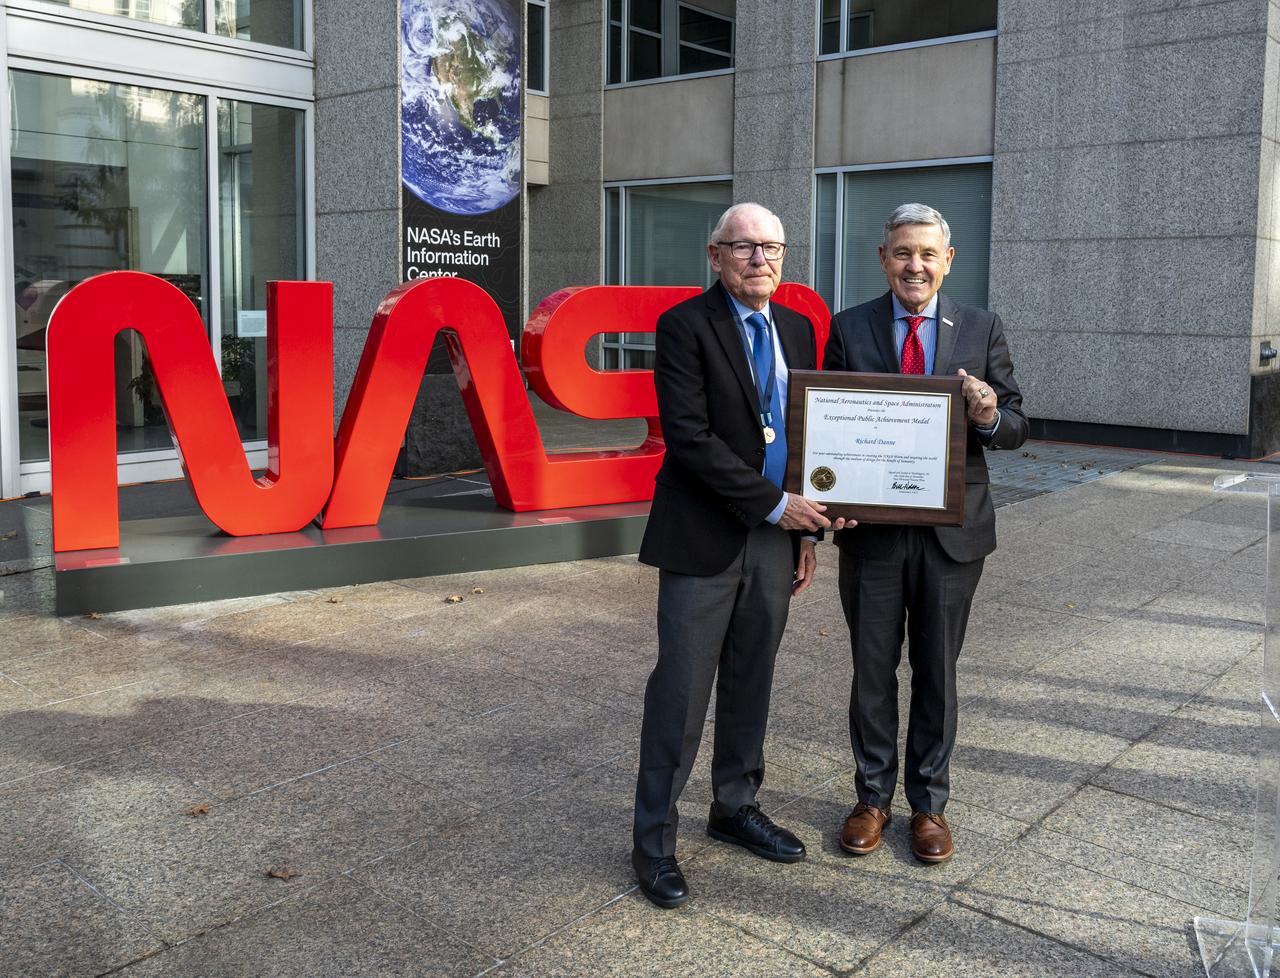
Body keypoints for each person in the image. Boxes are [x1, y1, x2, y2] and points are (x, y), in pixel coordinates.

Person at [631, 202, 839, 908]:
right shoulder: (685, 326)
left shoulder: (799, 328)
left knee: (752, 681)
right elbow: (689, 440)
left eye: (772, 247)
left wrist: (805, 530)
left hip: (775, 542)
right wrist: (776, 505)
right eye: (744, 246)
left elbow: (809, 435)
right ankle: (653, 842)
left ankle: (733, 807)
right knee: (681, 695)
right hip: (703, 537)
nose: (760, 259)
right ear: (715, 257)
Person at [825, 203, 1027, 864]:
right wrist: (829, 499)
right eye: (903, 253)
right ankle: (873, 798)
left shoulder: (981, 327)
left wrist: (991, 411)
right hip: (873, 534)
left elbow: (1018, 425)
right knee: (872, 671)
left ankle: (929, 805)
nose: (915, 265)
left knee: (937, 671)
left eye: (927, 254)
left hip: (952, 535)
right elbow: (827, 421)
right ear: (883, 259)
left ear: (948, 261)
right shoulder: (849, 327)